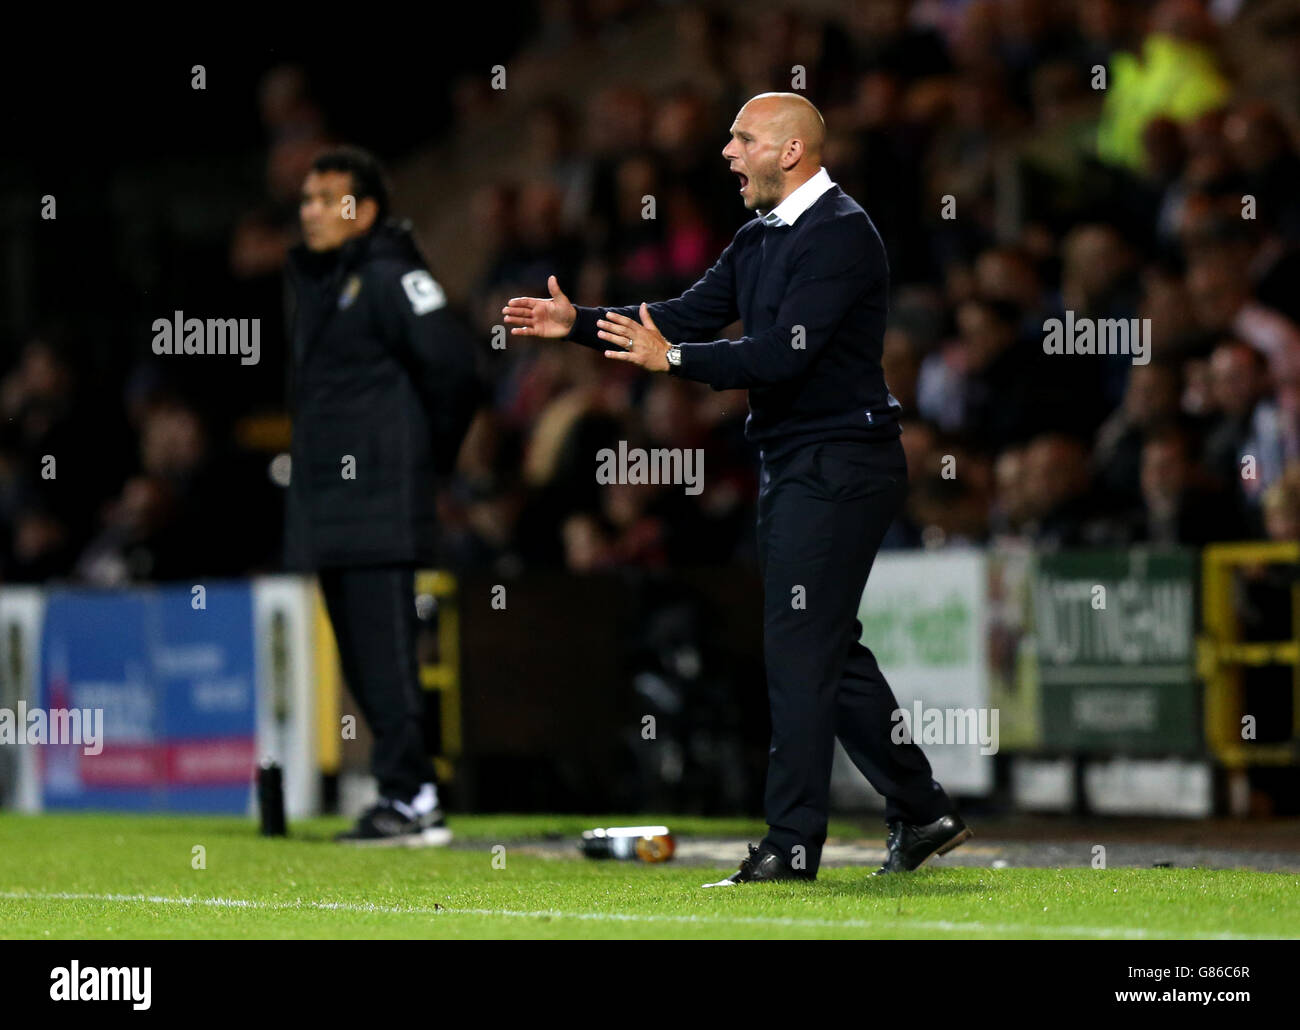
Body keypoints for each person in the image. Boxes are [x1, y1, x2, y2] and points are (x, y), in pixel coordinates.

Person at [505, 93, 970, 883]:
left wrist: (676, 364)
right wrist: (578, 321)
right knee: (824, 645)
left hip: (841, 462)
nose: (726, 151)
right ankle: (921, 811)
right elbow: (684, 313)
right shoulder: (760, 235)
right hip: (797, 464)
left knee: (797, 650)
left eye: (741, 138)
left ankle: (792, 846)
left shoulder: (842, 234)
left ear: (790, 152)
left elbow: (780, 355)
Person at [286, 146, 480, 845]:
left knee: (386, 648)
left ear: (363, 210)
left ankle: (413, 796)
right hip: (334, 504)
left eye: (325, 199)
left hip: (378, 498)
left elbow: (457, 368)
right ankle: (402, 791)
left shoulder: (393, 277)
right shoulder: (331, 283)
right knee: (362, 655)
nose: (309, 211)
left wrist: (429, 459)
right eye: (305, 199)